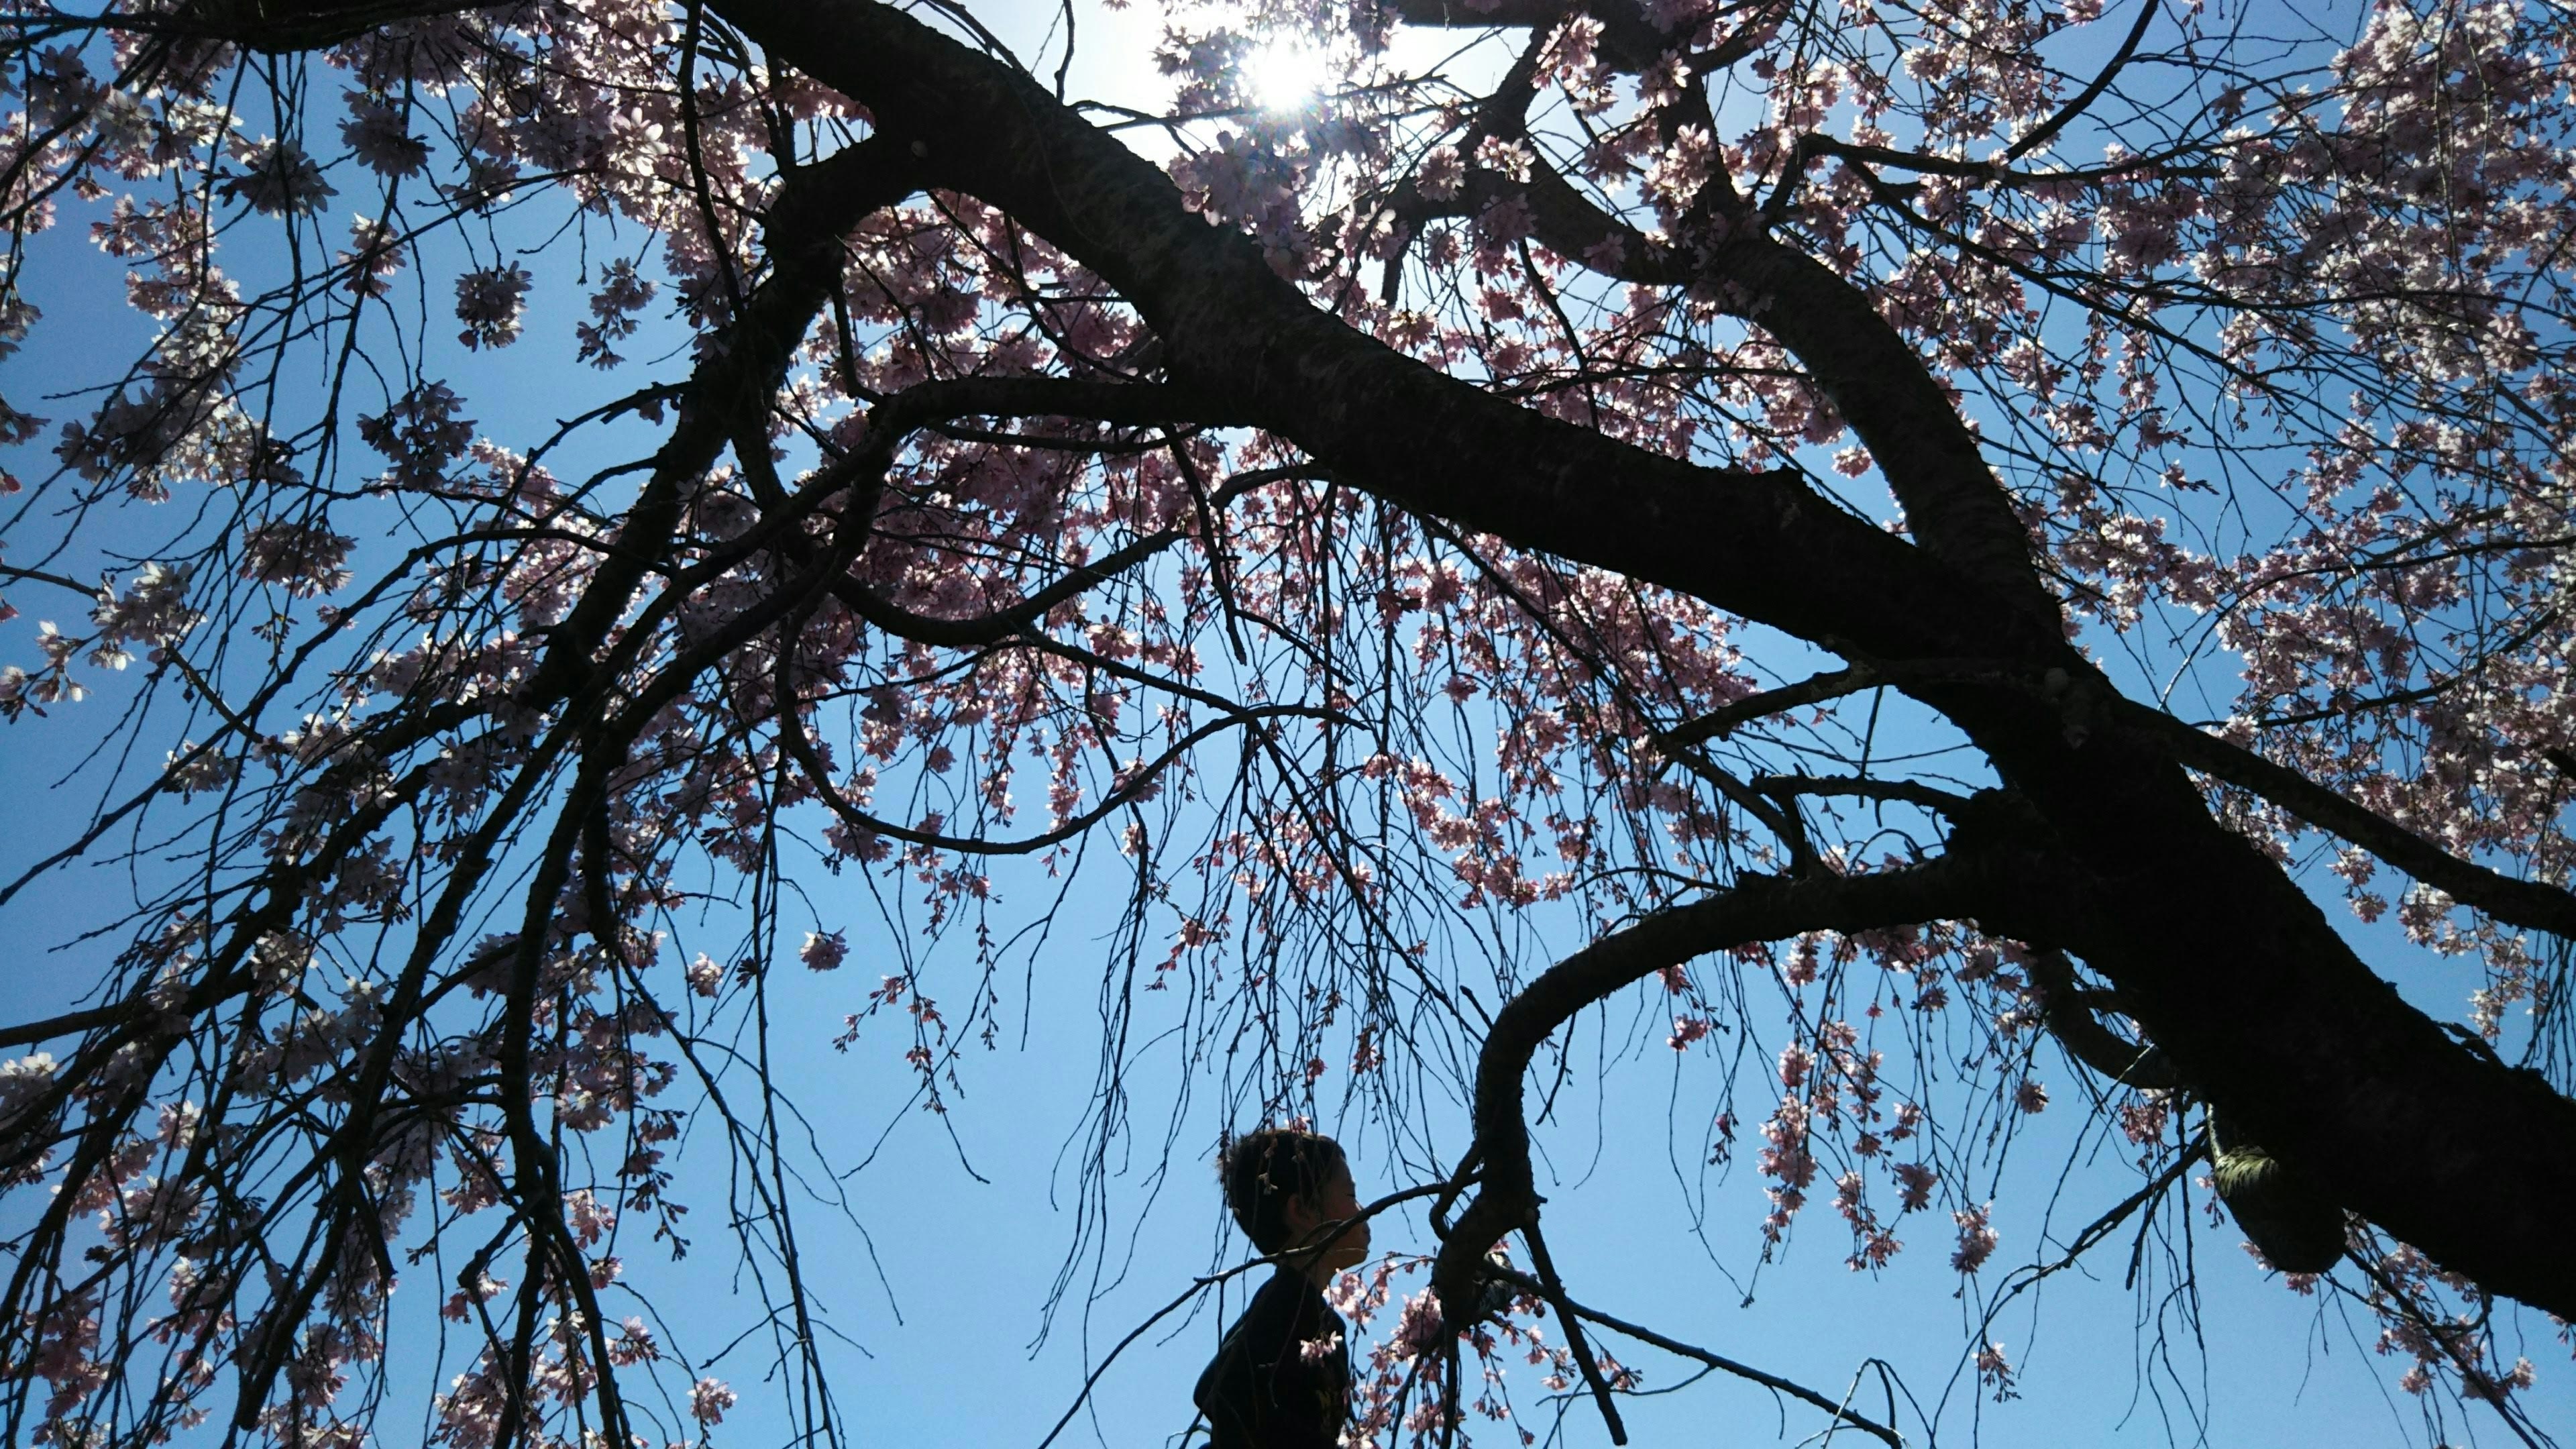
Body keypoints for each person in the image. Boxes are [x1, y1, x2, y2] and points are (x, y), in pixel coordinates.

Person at [1195, 1128, 1369, 1449]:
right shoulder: (1285, 1301)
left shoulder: (1329, 1327)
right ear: (1301, 1211)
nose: (1363, 1210)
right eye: (1349, 1195)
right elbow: (1218, 1389)